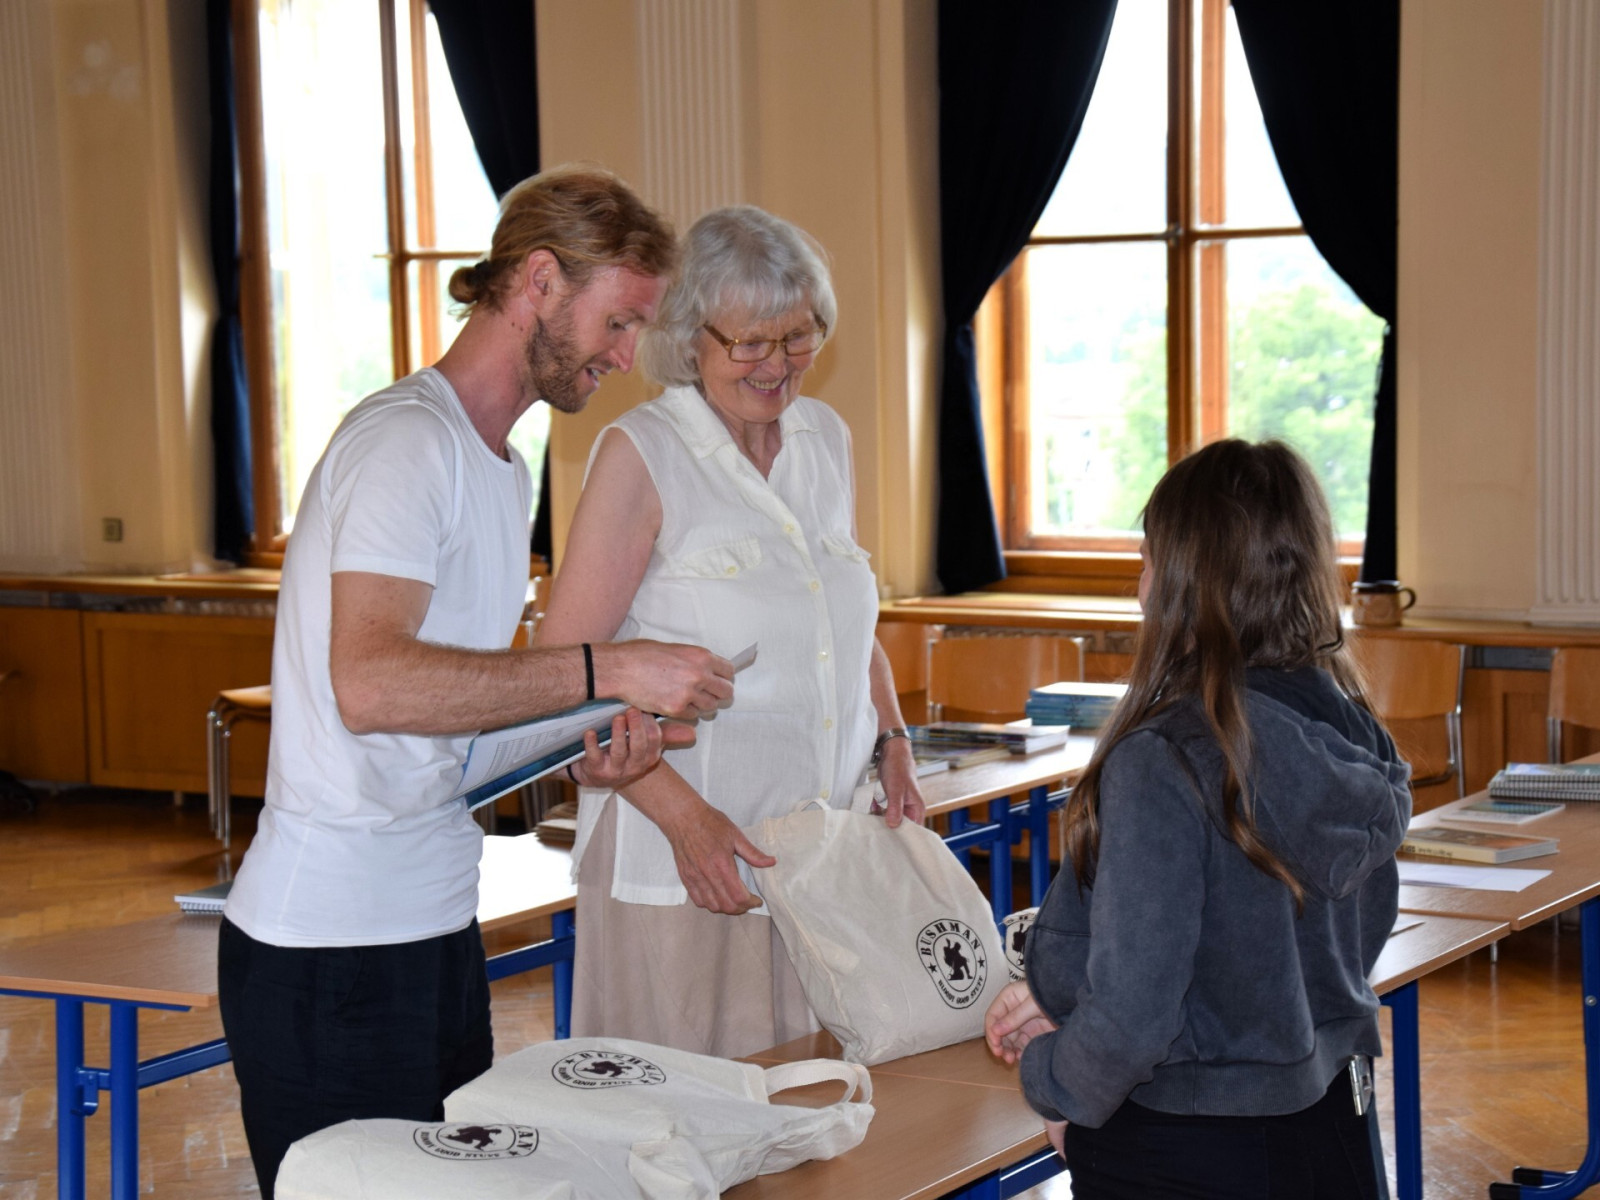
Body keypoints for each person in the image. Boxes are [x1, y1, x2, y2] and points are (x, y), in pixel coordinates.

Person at [218, 164, 737, 1199]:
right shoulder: (406, 442)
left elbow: (452, 721)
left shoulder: (501, 465)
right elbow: (371, 686)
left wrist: (593, 734)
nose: (626, 356)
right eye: (619, 322)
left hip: (432, 929)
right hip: (331, 944)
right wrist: (608, 665)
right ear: (539, 280)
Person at [536, 205, 926, 1058]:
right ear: (689, 337)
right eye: (749, 342)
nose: (777, 365)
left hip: (818, 862)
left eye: (798, 337)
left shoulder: (825, 440)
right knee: (692, 1117)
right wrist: (688, 822)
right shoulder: (643, 453)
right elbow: (559, 682)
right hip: (686, 867)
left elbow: (837, 624)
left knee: (817, 1111)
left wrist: (893, 741)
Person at [985, 439, 1410, 1199]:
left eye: (1149, 561)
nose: (1141, 590)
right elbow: (1329, 946)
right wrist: (1066, 994)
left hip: (1184, 1146)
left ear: (1188, 580)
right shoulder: (1352, 732)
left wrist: (1058, 1083)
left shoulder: (1166, 757)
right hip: (1331, 1127)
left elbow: (1135, 1016)